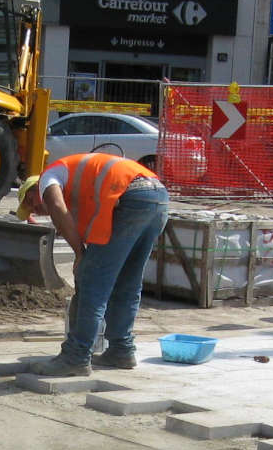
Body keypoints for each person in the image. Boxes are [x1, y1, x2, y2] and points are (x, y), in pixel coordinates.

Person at [17, 154, 170, 377]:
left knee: (91, 282)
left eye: (32, 205)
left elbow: (57, 206)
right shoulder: (80, 190)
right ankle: (121, 349)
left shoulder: (48, 179)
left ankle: (75, 357)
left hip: (132, 196)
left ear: (34, 191)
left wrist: (80, 255)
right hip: (157, 196)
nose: (37, 212)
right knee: (127, 282)